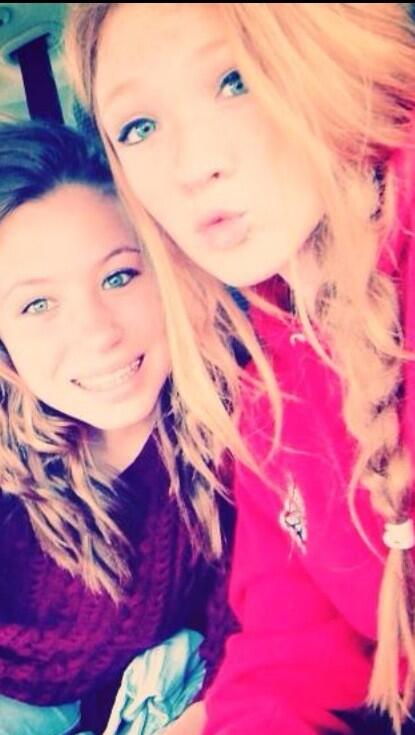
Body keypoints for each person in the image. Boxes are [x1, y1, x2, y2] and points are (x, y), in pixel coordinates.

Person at [65, 3, 415, 734]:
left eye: (235, 81)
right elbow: (290, 649)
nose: (192, 166)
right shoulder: (262, 375)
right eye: (140, 127)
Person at [0, 119, 237, 735]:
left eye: (119, 276)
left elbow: (248, 629)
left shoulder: (234, 419)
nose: (98, 334)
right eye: (37, 304)